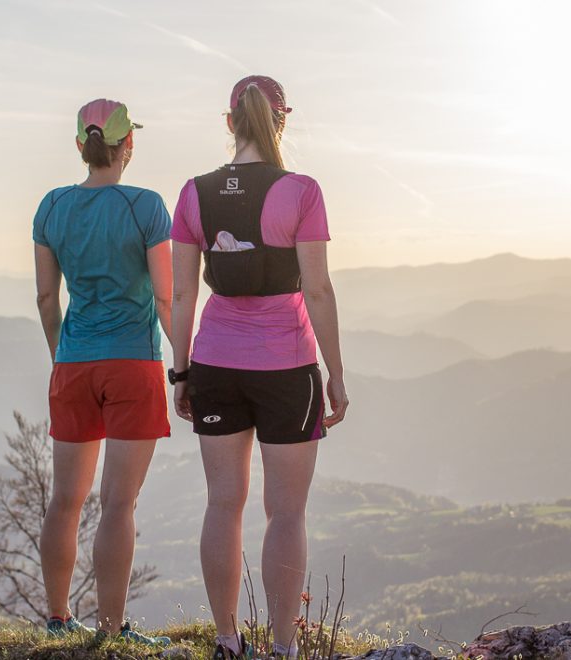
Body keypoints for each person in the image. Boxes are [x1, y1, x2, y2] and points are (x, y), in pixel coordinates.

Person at [170, 75, 350, 660]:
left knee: (223, 502)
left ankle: (226, 642)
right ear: (282, 122)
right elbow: (317, 289)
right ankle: (281, 649)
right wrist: (336, 375)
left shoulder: (194, 193)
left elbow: (180, 297)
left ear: (230, 123)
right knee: (286, 510)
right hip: (286, 366)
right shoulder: (301, 190)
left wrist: (181, 373)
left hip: (215, 361)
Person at [32, 98, 172, 644]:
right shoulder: (146, 206)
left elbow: (47, 297)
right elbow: (166, 296)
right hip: (134, 363)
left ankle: (58, 619)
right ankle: (112, 632)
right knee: (118, 503)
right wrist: (183, 364)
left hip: (73, 364)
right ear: (127, 146)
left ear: (79, 147)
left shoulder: (51, 207)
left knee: (64, 501)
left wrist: (59, 356)